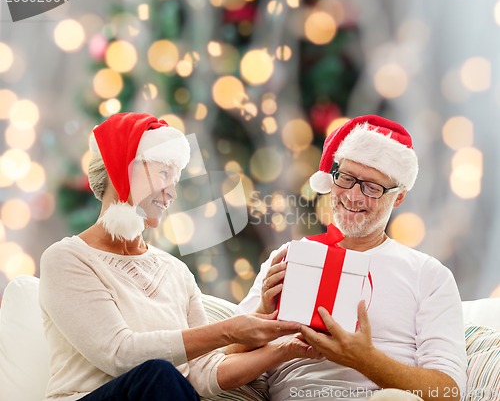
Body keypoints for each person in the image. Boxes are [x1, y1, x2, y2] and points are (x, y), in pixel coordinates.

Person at [39, 112, 320, 401]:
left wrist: (287, 348)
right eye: (163, 174)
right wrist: (229, 331)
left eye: (176, 179)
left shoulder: (175, 271)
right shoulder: (67, 259)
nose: (171, 193)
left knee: (165, 379)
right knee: (158, 375)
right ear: (123, 169)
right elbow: (120, 355)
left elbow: (202, 374)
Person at [237, 115, 467, 401]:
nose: (353, 196)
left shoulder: (428, 274)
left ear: (398, 198)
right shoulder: (288, 257)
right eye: (346, 179)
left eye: (372, 187)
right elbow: (221, 360)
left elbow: (448, 392)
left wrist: (364, 359)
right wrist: (262, 311)